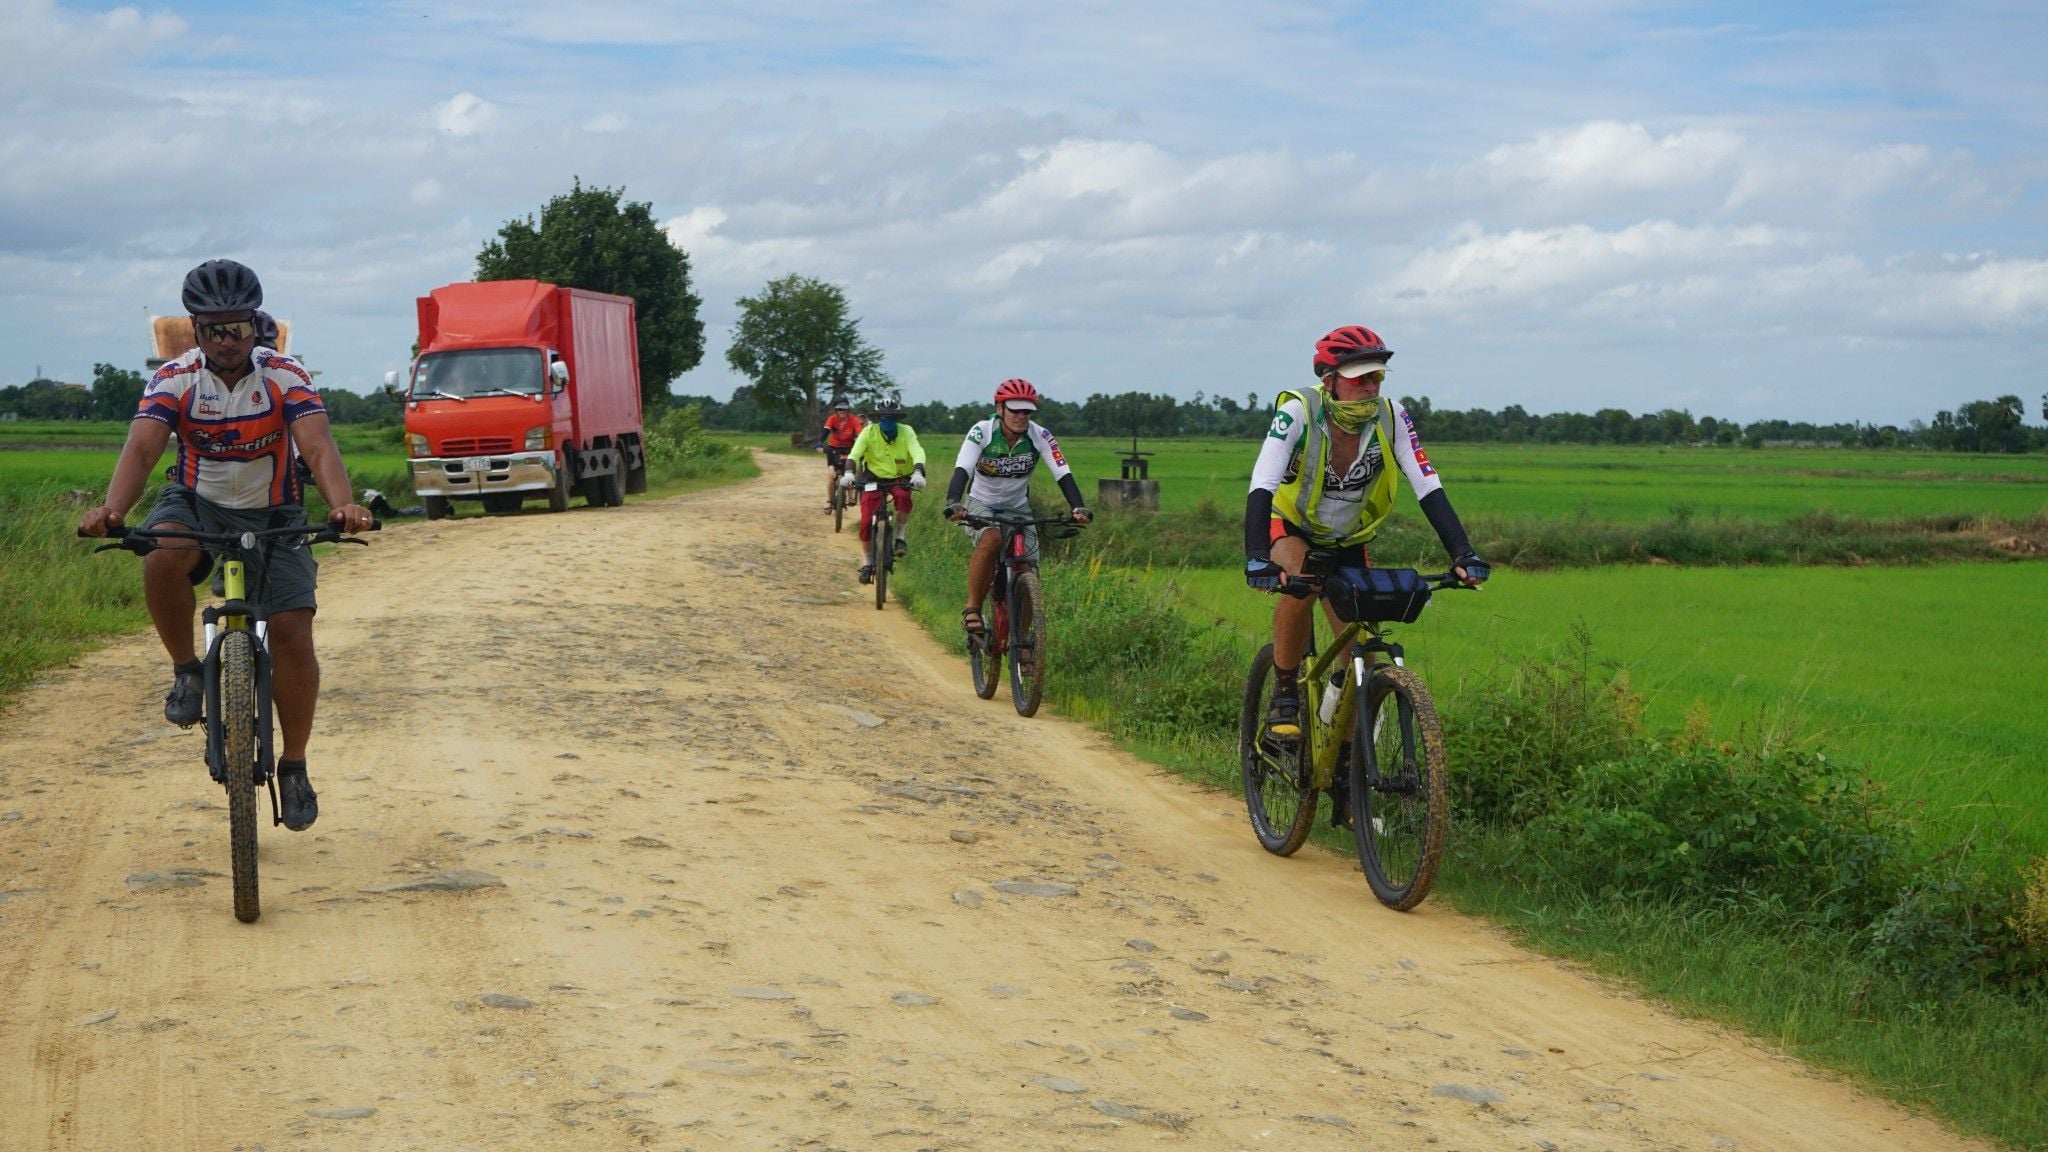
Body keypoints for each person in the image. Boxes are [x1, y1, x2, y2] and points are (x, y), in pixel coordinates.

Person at [76, 259, 374, 832]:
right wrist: (112, 511)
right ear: (195, 329)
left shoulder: (285, 374)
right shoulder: (174, 378)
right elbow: (141, 450)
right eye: (212, 329)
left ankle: (293, 766)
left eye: (236, 327)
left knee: (292, 631)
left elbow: (318, 447)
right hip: (196, 502)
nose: (226, 340)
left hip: (275, 511)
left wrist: (342, 504)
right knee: (161, 552)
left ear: (254, 324)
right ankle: (187, 670)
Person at [1244, 325, 1488, 746]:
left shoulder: (1392, 416)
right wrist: (1255, 557)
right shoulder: (1299, 410)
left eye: (1376, 377)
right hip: (1290, 527)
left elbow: (1427, 484)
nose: (1370, 388)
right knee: (1301, 580)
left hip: (1349, 540)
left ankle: (1347, 776)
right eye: (1359, 379)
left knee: (1361, 659)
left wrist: (1463, 553)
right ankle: (1284, 692)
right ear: (1330, 380)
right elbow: (1262, 483)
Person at [942, 378, 1092, 636]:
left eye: (1027, 411)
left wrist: (1078, 506)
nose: (1021, 416)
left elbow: (1062, 471)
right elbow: (963, 467)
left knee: (1029, 567)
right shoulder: (982, 431)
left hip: (1018, 505)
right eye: (1015, 409)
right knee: (992, 539)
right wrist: (953, 501)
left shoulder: (1040, 435)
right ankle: (972, 609)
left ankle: (1023, 644)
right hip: (981, 501)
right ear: (1000, 408)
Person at [840, 397, 927, 584]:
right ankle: (867, 561)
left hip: (900, 476)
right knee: (865, 521)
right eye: (883, 417)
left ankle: (900, 537)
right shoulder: (868, 432)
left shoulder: (907, 431)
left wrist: (918, 472)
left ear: (897, 418)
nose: (887, 421)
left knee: (904, 496)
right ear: (878, 418)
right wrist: (848, 472)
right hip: (873, 477)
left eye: (891, 417)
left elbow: (917, 451)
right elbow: (854, 454)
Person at [816, 396, 865, 511]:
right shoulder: (832, 419)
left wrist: (862, 445)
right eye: (839, 409)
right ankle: (829, 501)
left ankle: (851, 496)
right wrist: (819, 443)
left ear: (848, 410)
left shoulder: (853, 420)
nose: (842, 412)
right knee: (831, 474)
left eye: (844, 409)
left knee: (849, 472)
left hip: (849, 448)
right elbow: (825, 431)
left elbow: (861, 435)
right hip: (833, 448)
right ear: (836, 410)